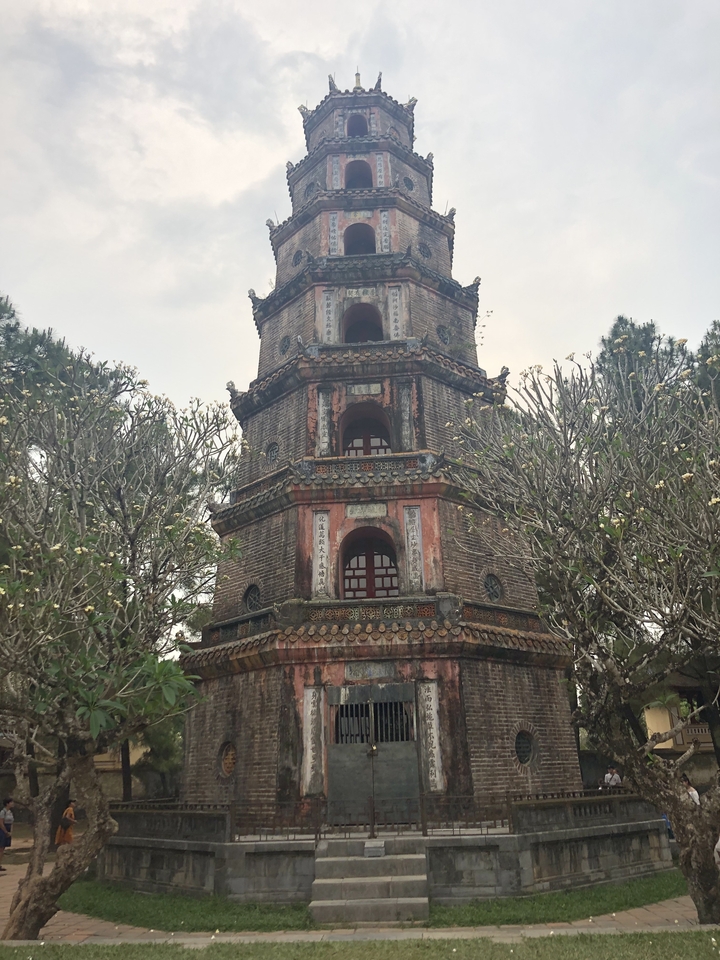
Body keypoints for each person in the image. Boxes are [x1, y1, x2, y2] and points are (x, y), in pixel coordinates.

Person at [0, 798, 14, 871]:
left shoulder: (10, 812)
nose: (12, 803)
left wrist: (10, 832)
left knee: (3, 848)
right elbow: (1, 823)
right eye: (11, 802)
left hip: (8, 829)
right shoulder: (3, 812)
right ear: (7, 803)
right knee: (1, 848)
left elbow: (11, 822)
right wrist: (5, 832)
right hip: (3, 830)